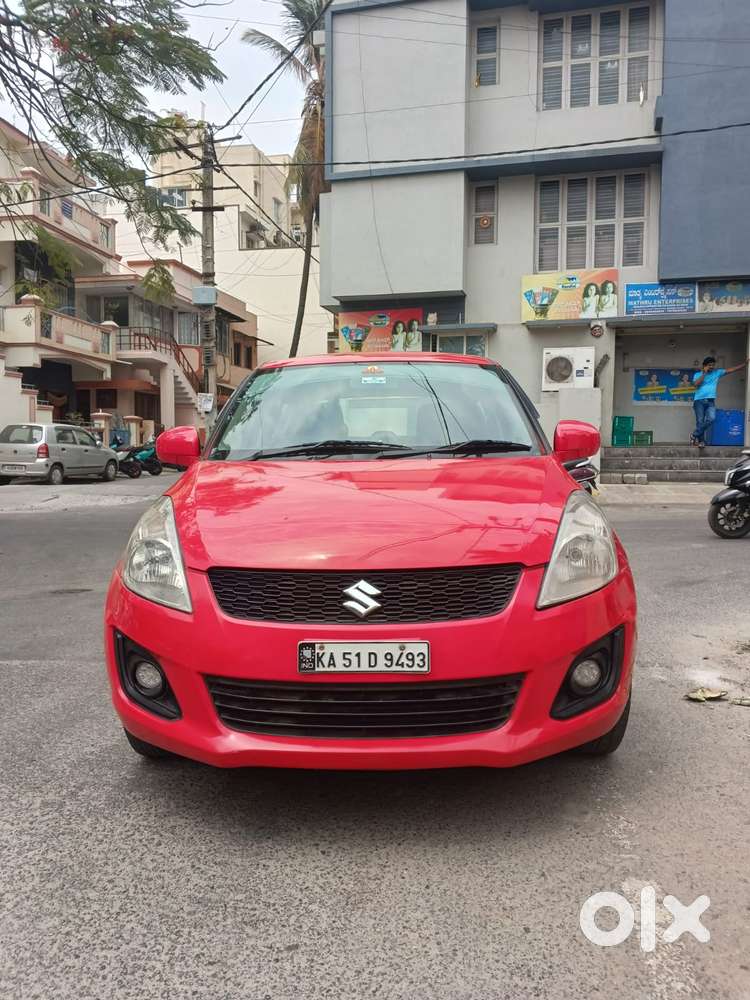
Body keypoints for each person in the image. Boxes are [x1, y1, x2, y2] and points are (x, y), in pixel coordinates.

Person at [691, 355, 749, 447]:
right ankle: (701, 442)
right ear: (704, 365)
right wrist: (704, 373)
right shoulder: (697, 374)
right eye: (710, 365)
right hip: (699, 401)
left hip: (710, 401)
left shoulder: (717, 373)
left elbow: (731, 370)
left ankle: (694, 434)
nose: (712, 367)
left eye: (713, 365)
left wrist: (744, 365)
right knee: (700, 421)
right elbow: (696, 385)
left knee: (712, 419)